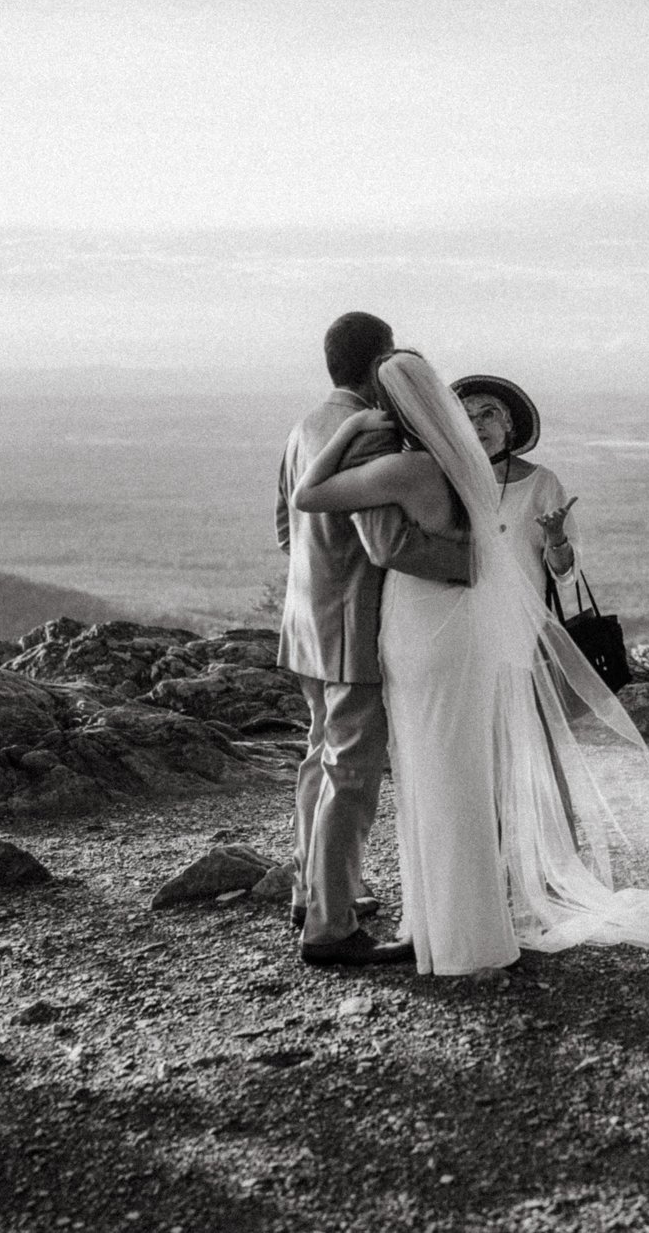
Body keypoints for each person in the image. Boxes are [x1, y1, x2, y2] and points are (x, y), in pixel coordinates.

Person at [291, 350, 649, 975]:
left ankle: (456, 930)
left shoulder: (411, 468)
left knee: (437, 781)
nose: (480, 422)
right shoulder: (467, 472)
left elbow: (308, 496)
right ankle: (454, 922)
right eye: (468, 411)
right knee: (458, 777)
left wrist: (350, 430)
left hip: (427, 632)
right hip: (462, 630)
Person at [275, 312, 474, 968]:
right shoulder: (373, 436)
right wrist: (475, 562)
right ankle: (331, 927)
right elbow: (385, 543)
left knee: (318, 757)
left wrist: (314, 582)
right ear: (380, 361)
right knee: (351, 773)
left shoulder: (307, 424)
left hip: (305, 619)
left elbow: (286, 522)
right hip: (350, 625)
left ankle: (313, 893)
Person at [451, 375, 578, 602]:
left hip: (526, 621)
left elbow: (566, 576)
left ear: (508, 423)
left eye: (487, 414)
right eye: (467, 417)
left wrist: (556, 538)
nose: (476, 424)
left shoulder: (542, 483)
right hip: (465, 618)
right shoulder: (449, 480)